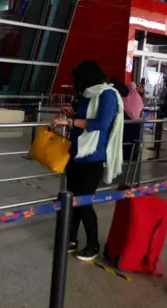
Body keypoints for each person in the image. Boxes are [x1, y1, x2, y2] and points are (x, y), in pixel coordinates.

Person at [52, 60, 123, 262]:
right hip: (76, 153)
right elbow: (84, 120)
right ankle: (71, 239)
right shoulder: (87, 95)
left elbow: (101, 123)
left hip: (92, 156)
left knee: (84, 202)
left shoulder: (107, 94)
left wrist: (70, 121)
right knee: (73, 200)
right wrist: (73, 115)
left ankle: (93, 244)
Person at [122, 82, 144, 163]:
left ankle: (125, 156)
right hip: (136, 123)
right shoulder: (138, 97)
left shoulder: (125, 97)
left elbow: (122, 107)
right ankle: (133, 156)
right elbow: (141, 107)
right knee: (134, 141)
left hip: (127, 123)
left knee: (126, 140)